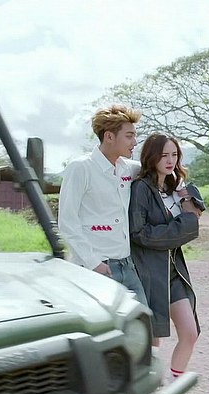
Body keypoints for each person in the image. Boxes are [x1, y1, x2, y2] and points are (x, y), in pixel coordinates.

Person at [129, 133, 202, 394]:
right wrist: (184, 225)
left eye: (174, 155)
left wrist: (186, 194)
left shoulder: (174, 188)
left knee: (190, 333)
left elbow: (195, 213)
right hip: (150, 271)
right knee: (154, 341)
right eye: (164, 155)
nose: (170, 161)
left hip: (174, 271)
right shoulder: (141, 189)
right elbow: (139, 233)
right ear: (152, 157)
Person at [58, 104, 147, 305]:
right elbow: (67, 222)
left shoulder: (128, 168)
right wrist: (94, 264)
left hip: (127, 265)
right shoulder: (81, 168)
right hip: (96, 268)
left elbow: (160, 170)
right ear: (109, 136)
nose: (134, 142)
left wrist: (187, 197)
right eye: (129, 136)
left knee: (144, 321)